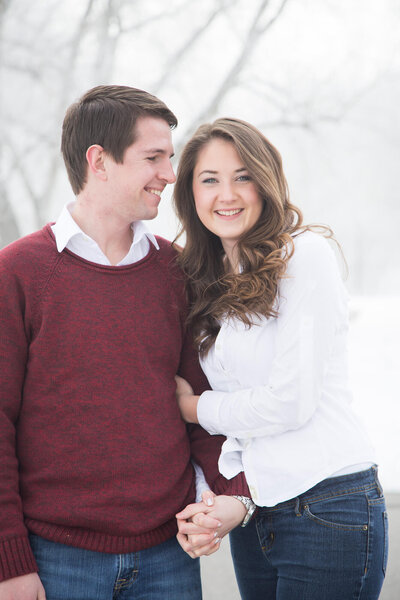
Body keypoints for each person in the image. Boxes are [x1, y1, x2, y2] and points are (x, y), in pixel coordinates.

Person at [0, 86, 250, 600]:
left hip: (168, 558)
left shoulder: (176, 271)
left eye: (171, 157)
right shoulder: (19, 272)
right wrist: (9, 564)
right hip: (55, 560)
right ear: (100, 161)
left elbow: (201, 403)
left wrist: (231, 497)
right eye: (153, 157)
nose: (170, 173)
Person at [173, 118, 388, 599]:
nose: (226, 194)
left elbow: (289, 403)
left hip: (329, 503)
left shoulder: (304, 257)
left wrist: (193, 407)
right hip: (260, 509)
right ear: (191, 194)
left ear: (266, 183)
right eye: (210, 180)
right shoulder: (211, 281)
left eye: (242, 176)